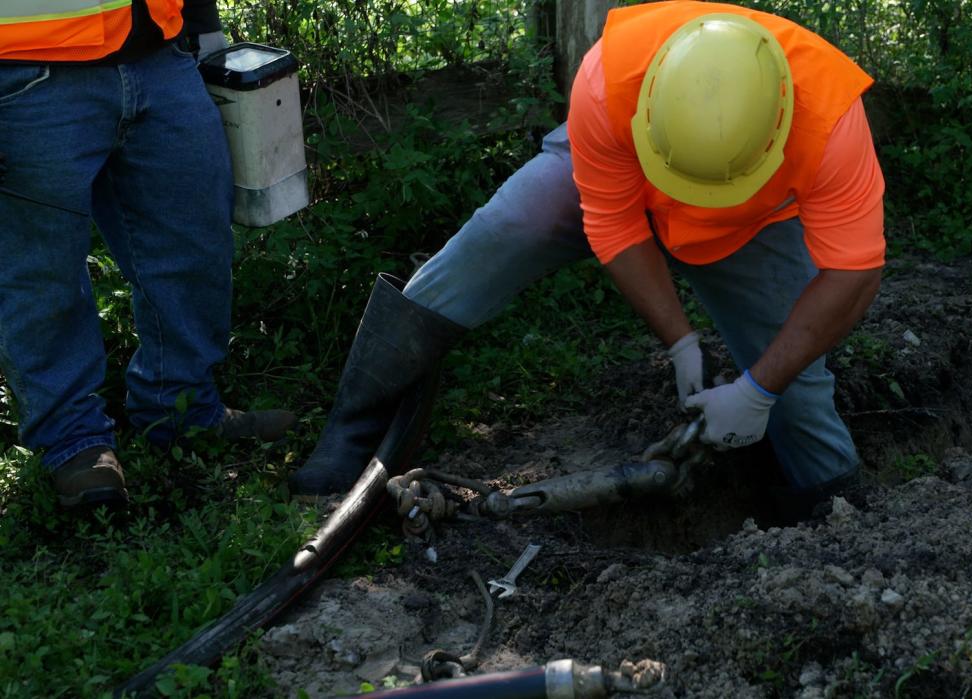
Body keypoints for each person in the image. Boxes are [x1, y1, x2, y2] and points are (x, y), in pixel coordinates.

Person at [291, 1, 885, 512]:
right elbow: (614, 224)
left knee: (797, 391)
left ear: (780, 126)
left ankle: (831, 521)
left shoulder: (829, 118)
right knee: (508, 224)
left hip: (753, 228)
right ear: (651, 104)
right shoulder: (612, 77)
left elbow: (852, 274)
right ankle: (357, 423)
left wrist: (758, 388)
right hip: (620, 176)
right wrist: (681, 345)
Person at [0, 0, 296, 509]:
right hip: (26, 71)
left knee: (195, 240)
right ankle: (75, 443)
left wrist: (203, 29)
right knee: (41, 276)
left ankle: (181, 407)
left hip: (160, 56)